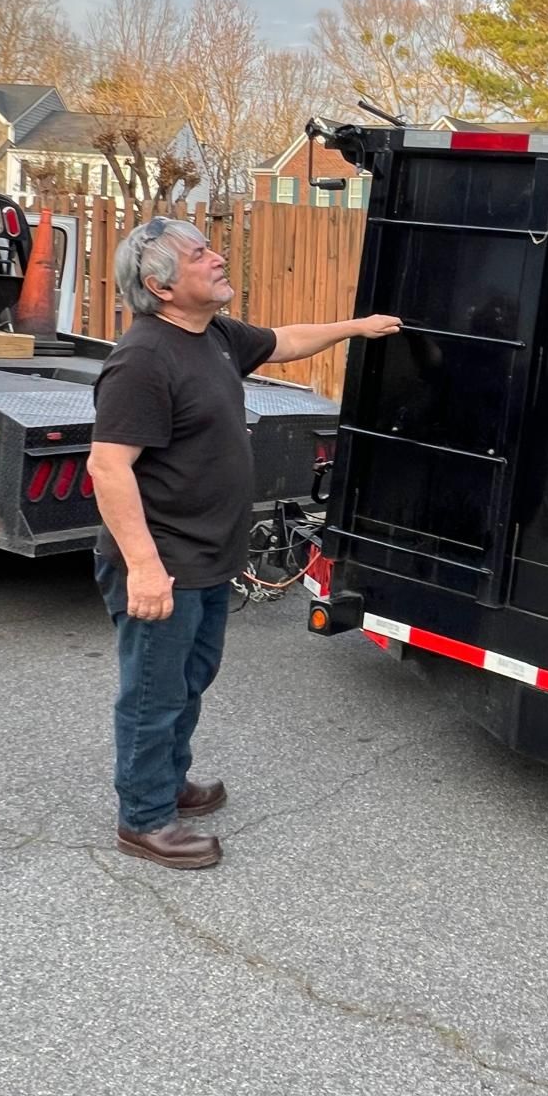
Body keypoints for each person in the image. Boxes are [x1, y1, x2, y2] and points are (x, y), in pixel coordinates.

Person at [87, 216, 400, 871]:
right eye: (200, 255)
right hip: (164, 565)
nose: (218, 257)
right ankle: (142, 820)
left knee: (189, 681)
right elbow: (108, 467)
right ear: (161, 286)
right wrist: (144, 570)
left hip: (206, 560)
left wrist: (357, 328)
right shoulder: (144, 360)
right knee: (154, 691)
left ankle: (167, 784)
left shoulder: (216, 334)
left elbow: (285, 341)